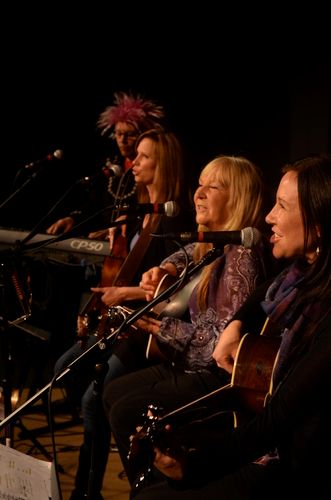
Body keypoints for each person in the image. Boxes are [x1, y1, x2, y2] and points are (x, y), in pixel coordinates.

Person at [122, 153, 331, 499]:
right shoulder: (300, 277)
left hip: (298, 468)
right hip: (270, 441)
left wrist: (195, 465)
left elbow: (277, 418)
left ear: (319, 225)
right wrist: (237, 324)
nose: (269, 217)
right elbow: (265, 291)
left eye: (281, 206)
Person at [102, 154, 276, 490]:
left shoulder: (243, 260)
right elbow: (184, 255)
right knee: (113, 392)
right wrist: (164, 269)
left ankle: (162, 490)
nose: (199, 193)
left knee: (125, 412)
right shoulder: (211, 244)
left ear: (238, 198)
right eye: (199, 185)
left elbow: (217, 349)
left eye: (213, 187)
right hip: (188, 365)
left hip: (217, 377)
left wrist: (159, 328)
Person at [54, 127, 195, 500]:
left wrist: (122, 293)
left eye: (144, 157)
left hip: (144, 330)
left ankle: (92, 488)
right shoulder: (141, 213)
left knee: (93, 400)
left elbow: (172, 287)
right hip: (119, 320)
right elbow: (125, 265)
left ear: (163, 163)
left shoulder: (174, 219)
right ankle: (92, 481)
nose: (134, 163)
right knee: (64, 372)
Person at [46, 91, 165, 239]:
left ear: (144, 134)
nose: (122, 140)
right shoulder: (111, 164)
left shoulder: (151, 172)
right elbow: (94, 205)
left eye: (130, 134)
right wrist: (73, 219)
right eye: (118, 133)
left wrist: (116, 229)